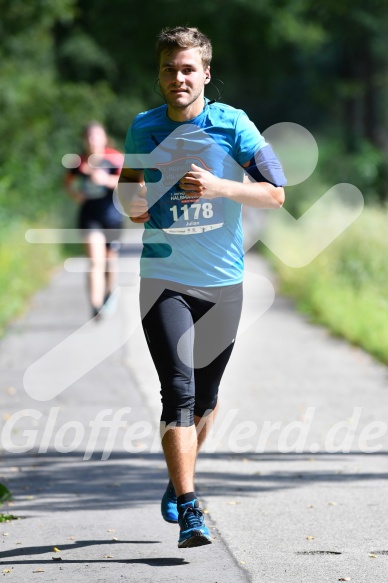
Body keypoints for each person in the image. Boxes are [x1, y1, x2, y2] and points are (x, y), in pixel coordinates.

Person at [117, 26, 286, 548]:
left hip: (222, 284)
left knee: (206, 399)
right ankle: (191, 509)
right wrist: (136, 205)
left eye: (188, 69)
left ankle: (177, 478)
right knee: (180, 392)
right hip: (163, 280)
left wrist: (219, 186)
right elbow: (128, 195)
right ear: (159, 75)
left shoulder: (232, 125)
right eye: (169, 69)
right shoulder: (143, 128)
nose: (178, 78)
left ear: (206, 74)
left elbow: (275, 193)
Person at [64, 122, 124, 319]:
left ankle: (110, 291)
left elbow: (131, 183)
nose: (92, 140)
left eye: (96, 136)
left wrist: (105, 180)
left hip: (112, 215)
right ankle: (95, 305)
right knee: (95, 261)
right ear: (84, 139)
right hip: (89, 216)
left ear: (104, 138)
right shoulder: (78, 162)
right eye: (89, 137)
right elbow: (67, 183)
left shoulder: (114, 158)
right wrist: (76, 194)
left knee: (109, 263)